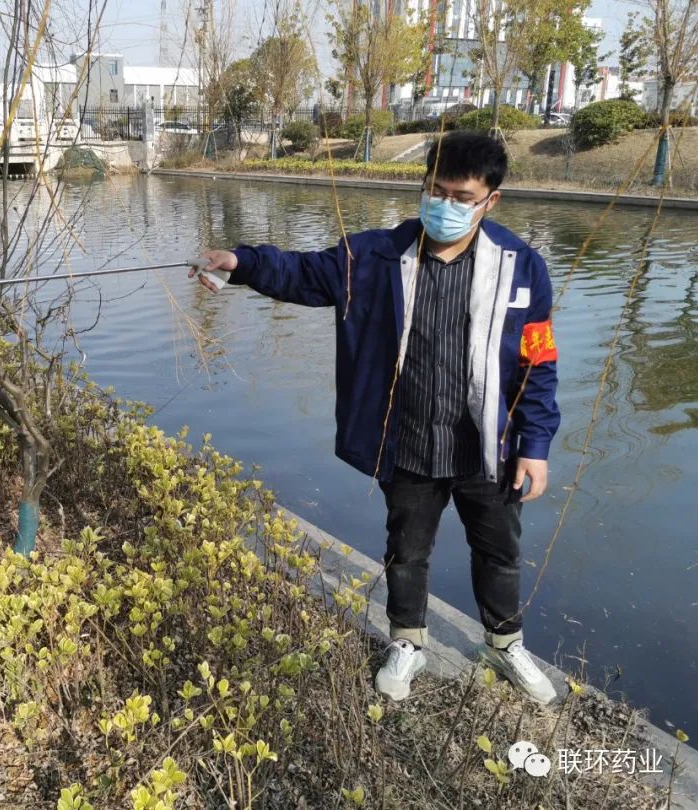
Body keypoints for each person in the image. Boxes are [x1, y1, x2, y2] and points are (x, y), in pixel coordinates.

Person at [193, 131, 560, 705]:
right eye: (436, 190)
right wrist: (240, 262)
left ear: (491, 200)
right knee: (407, 549)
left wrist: (534, 445)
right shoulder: (374, 257)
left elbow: (539, 362)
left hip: (489, 445)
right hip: (407, 439)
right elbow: (301, 273)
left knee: (499, 550)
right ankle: (408, 640)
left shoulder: (522, 267)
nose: (445, 204)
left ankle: (504, 642)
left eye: (462, 197)